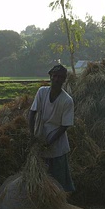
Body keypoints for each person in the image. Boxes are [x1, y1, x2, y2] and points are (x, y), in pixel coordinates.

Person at [28, 64, 75, 192]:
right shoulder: (42, 92)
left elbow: (64, 126)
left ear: (64, 80)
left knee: (59, 179)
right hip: (41, 136)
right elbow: (32, 113)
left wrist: (49, 142)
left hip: (57, 143)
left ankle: (61, 204)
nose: (57, 79)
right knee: (41, 176)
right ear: (50, 77)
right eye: (55, 76)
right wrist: (32, 135)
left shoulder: (67, 100)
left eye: (60, 77)